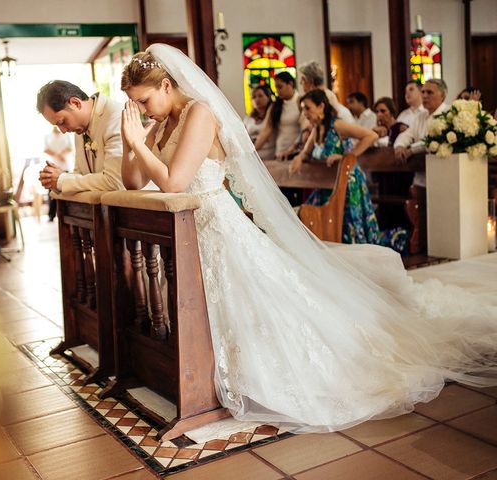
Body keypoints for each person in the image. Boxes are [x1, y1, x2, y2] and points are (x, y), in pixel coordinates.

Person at [119, 44, 497, 434]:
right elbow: (133, 180)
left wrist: (138, 142)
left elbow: (175, 182)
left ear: (166, 84)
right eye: (136, 104)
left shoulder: (198, 113)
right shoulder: (160, 123)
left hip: (217, 225)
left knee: (258, 307)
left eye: (144, 100)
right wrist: (131, 140)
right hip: (189, 232)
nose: (143, 110)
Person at [289, 89, 407, 252]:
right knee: (309, 216)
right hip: (328, 185)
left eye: (307, 108)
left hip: (348, 182)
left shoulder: (337, 125)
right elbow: (307, 151)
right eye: (303, 109)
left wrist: (346, 156)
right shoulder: (317, 128)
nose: (305, 113)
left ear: (321, 106)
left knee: (350, 228)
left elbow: (370, 136)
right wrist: (299, 158)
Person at [37, 80, 125, 194]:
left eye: (62, 122)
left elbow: (115, 181)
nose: (63, 131)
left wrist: (62, 180)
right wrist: (54, 179)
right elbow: (81, 174)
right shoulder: (79, 127)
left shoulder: (115, 116)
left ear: (75, 103)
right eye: (57, 126)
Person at [394, 79, 449, 186]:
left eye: (429, 92)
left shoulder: (448, 113)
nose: (424, 96)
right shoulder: (420, 116)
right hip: (420, 173)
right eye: (423, 92)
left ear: (442, 96)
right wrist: (400, 146)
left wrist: (411, 150)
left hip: (441, 171)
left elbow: (434, 140)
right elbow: (407, 134)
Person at [254, 72, 303, 160]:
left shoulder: (300, 102)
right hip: (280, 151)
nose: (277, 90)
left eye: (280, 87)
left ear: (290, 84)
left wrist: (294, 149)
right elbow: (266, 130)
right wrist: (252, 150)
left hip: (296, 152)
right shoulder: (275, 105)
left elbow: (305, 130)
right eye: (276, 87)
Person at [43, 126, 74, 220]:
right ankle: (51, 215)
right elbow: (45, 149)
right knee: (52, 191)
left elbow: (70, 147)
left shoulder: (66, 135)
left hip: (65, 165)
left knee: (65, 189)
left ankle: (66, 213)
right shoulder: (48, 136)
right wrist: (57, 155)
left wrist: (62, 154)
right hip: (53, 165)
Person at [242, 85, 275, 160]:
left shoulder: (272, 115)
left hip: (268, 155)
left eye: (260, 96)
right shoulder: (248, 119)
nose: (257, 99)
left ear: (268, 97)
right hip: (250, 155)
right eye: (254, 97)